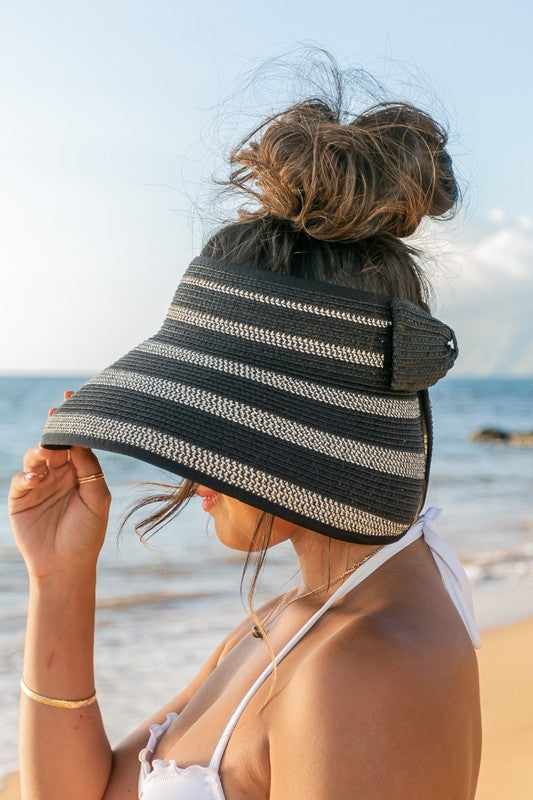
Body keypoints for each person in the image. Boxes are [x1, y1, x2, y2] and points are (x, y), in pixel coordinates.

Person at [9, 62, 482, 800]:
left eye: (212, 428)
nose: (189, 468)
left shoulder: (356, 671)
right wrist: (59, 579)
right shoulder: (298, 621)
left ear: (302, 418)